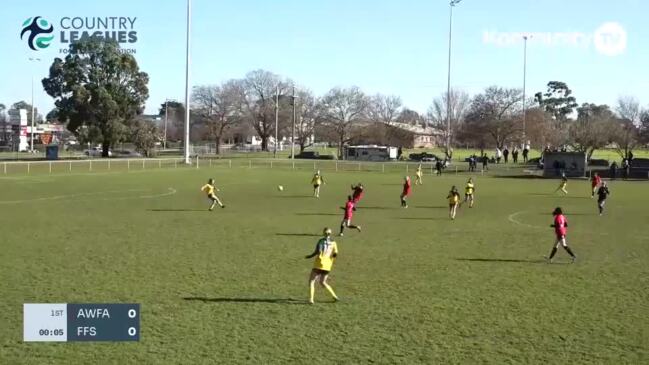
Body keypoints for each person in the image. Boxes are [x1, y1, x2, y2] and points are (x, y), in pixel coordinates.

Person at [305, 228, 339, 304]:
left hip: (319, 264)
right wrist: (331, 260)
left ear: (323, 233)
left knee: (311, 281)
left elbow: (318, 251)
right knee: (323, 282)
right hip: (327, 266)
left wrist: (309, 256)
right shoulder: (334, 242)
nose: (327, 235)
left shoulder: (321, 241)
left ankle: (311, 299)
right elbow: (335, 253)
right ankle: (334, 296)